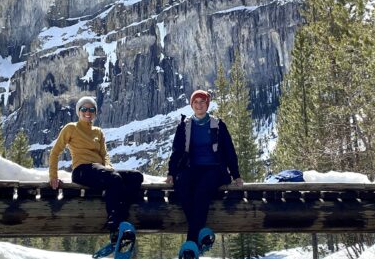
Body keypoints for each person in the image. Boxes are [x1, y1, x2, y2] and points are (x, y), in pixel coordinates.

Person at [48, 96, 144, 237]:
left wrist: (109, 167)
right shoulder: (71, 128)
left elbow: (104, 154)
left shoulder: (98, 131)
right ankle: (114, 223)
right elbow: (55, 152)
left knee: (136, 177)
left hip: (99, 170)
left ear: (95, 113)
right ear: (78, 112)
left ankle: (121, 215)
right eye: (84, 109)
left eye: (91, 109)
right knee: (115, 179)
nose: (88, 112)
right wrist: (53, 176)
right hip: (82, 170)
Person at [165, 89, 243, 246]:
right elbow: (177, 151)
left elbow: (229, 151)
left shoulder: (218, 125)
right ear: (191, 105)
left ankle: (191, 240)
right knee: (182, 185)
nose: (199, 105)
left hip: (215, 169)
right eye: (196, 102)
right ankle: (200, 232)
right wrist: (171, 173)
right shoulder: (184, 126)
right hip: (192, 168)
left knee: (201, 190)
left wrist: (236, 175)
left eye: (202, 102)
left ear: (207, 105)